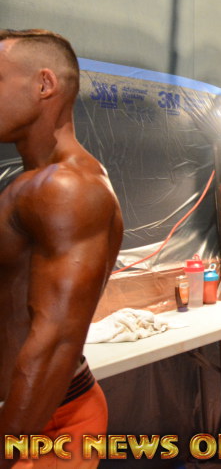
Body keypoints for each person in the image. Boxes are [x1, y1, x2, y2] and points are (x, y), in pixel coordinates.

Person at [0, 29, 123, 468]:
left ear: (44, 85)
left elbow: (55, 341)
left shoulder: (68, 187)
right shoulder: (29, 182)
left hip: (44, 424)